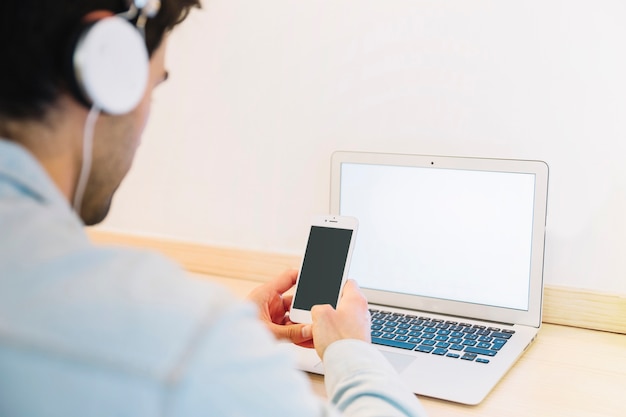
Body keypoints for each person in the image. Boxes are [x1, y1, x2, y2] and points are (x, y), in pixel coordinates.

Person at [0, 1, 427, 416]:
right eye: (154, 85)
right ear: (104, 68)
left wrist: (231, 349)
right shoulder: (180, 344)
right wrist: (348, 348)